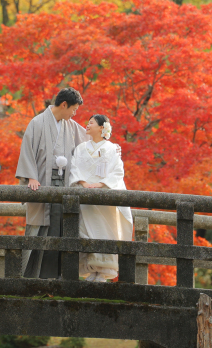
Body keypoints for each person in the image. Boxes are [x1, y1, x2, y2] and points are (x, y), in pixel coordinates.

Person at [15, 88, 87, 279]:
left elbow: (90, 141)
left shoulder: (70, 126)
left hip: (63, 187)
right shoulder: (37, 123)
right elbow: (27, 150)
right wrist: (31, 177)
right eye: (74, 109)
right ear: (64, 105)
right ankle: (32, 278)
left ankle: (59, 278)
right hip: (42, 184)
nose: (74, 113)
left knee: (62, 229)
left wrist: (108, 149)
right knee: (40, 229)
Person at [68, 114, 133, 282]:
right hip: (86, 198)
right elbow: (74, 168)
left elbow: (117, 172)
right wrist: (83, 183)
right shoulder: (81, 148)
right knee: (86, 232)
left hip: (104, 199)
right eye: (87, 122)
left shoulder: (112, 148)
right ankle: (90, 271)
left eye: (91, 123)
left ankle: (102, 273)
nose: (87, 125)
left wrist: (100, 185)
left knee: (105, 233)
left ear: (102, 128)